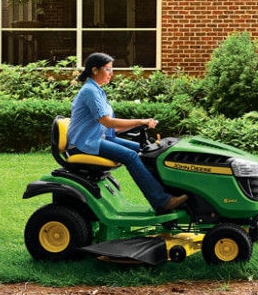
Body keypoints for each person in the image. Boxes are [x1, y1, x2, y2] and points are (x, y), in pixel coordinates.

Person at [66, 52, 188, 213]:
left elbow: (112, 128)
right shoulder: (90, 91)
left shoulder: (97, 91)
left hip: (97, 138)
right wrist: (140, 121)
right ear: (95, 70)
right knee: (131, 156)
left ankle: (171, 194)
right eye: (108, 69)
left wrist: (140, 125)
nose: (112, 73)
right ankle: (162, 202)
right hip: (85, 143)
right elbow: (107, 122)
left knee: (148, 150)